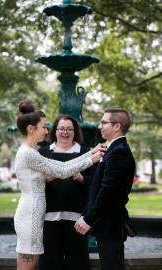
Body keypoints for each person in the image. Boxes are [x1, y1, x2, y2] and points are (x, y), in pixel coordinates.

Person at [14, 101, 104, 270]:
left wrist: (90, 153)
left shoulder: (29, 152)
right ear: (31, 128)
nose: (47, 131)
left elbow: (62, 167)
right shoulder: (30, 154)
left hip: (32, 214)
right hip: (31, 216)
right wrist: (90, 159)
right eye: (43, 127)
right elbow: (62, 170)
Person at [75, 107, 137, 270]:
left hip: (111, 224)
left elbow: (108, 192)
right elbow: (98, 186)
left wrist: (89, 218)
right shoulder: (112, 150)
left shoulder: (119, 152)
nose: (99, 126)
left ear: (117, 126)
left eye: (103, 122)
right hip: (106, 224)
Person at [38, 114, 97, 270]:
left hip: (77, 219)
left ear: (75, 131)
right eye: (61, 128)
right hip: (49, 217)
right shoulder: (43, 152)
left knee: (78, 264)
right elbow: (32, 183)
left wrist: (82, 179)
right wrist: (46, 179)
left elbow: (96, 183)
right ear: (55, 131)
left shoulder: (85, 152)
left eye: (69, 129)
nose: (65, 132)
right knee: (48, 264)